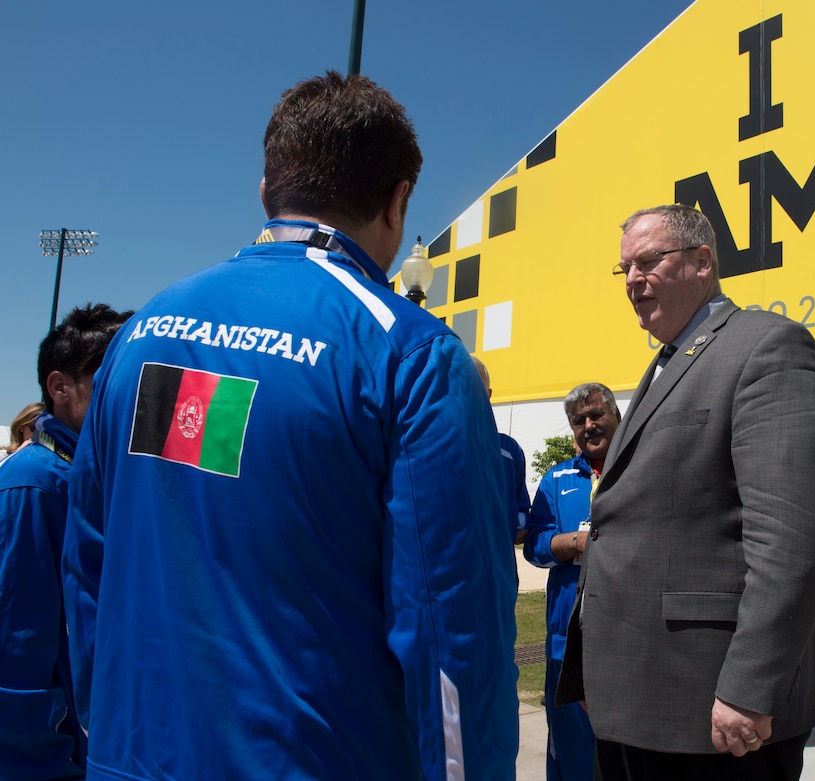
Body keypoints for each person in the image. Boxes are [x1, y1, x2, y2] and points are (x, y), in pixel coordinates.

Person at [61, 72, 518, 781]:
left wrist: (105, 730)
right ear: (398, 202)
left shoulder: (142, 332)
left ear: (265, 187)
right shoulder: (411, 353)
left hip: (131, 758)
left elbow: (88, 560)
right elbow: (449, 631)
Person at [557, 204, 815, 780]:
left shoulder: (767, 348)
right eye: (624, 269)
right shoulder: (667, 362)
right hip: (639, 695)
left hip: (714, 710)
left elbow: (791, 540)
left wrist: (749, 687)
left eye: (648, 261)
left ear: (703, 261)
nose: (633, 280)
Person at [0, 303, 130, 779]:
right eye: (109, 384)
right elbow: (14, 653)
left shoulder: (86, 476)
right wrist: (46, 765)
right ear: (60, 388)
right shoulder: (36, 485)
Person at [524, 382, 619, 781]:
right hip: (566, 640)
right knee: (572, 753)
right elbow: (535, 544)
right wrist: (573, 542)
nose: (589, 425)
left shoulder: (639, 468)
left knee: (624, 754)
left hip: (626, 637)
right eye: (578, 420)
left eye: (596, 414)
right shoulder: (557, 478)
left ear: (616, 415)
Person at [472, 355, 531, 545]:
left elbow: (521, 521)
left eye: (474, 387)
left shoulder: (510, 451)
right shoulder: (433, 445)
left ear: (488, 394)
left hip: (500, 570)